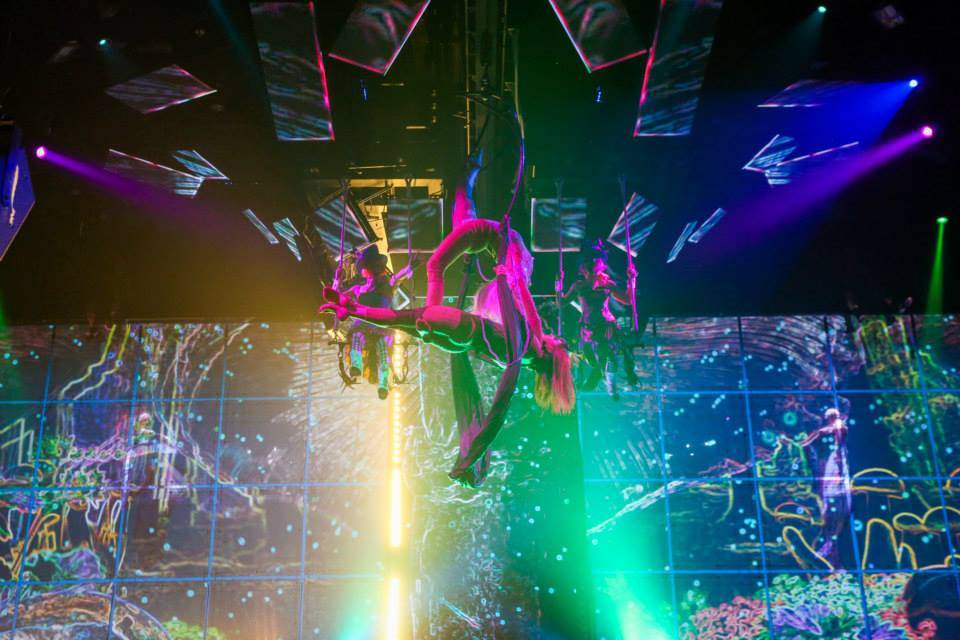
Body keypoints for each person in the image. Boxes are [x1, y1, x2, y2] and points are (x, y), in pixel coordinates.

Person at [562, 239, 638, 398]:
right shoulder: (579, 285)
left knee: (609, 356)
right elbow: (561, 303)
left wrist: (632, 280)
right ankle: (602, 378)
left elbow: (627, 300)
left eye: (595, 260)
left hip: (606, 326)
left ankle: (611, 386)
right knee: (593, 358)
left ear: (600, 264)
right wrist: (558, 285)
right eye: (588, 262)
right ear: (583, 267)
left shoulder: (607, 284)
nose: (591, 264)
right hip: (588, 329)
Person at [339, 243, 414, 399]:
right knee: (357, 338)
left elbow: (397, 278)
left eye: (365, 268)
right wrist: (336, 280)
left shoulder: (386, 285)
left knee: (383, 352)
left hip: (381, 324)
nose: (363, 271)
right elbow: (339, 296)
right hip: (364, 324)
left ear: (370, 268)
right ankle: (357, 365)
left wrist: (409, 268)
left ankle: (383, 383)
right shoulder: (359, 289)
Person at [796, 408, 851, 567]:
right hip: (832, 467)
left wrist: (838, 453)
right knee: (828, 509)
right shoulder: (827, 431)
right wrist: (800, 445)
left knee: (836, 509)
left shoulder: (839, 427)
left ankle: (832, 546)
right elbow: (815, 436)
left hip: (838, 468)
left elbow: (837, 432)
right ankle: (829, 546)